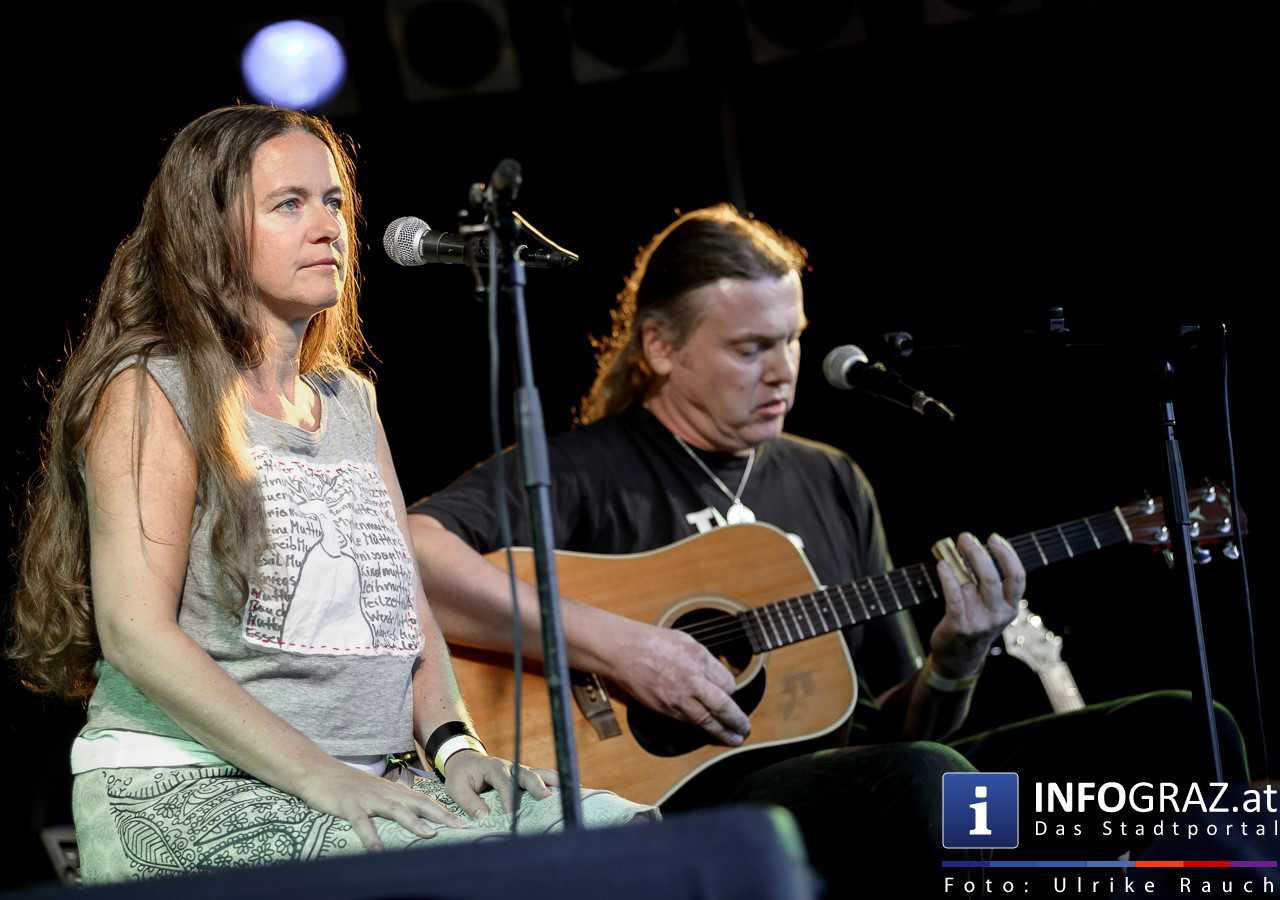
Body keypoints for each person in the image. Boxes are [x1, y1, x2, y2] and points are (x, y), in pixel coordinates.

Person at [407, 206, 1249, 892]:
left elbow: (897, 724)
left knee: (1184, 732)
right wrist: (623, 647)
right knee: (926, 782)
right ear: (661, 347)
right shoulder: (584, 469)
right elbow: (414, 547)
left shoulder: (831, 478)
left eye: (792, 338)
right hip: (704, 805)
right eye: (750, 348)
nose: (783, 371)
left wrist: (956, 659)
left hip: (876, 791)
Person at [7, 105, 653, 884]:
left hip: (365, 782)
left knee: (629, 835)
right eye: (289, 204)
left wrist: (455, 747)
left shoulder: (349, 400)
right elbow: (133, 630)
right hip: (193, 784)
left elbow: (403, 606)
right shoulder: (151, 391)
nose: (328, 227)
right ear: (208, 233)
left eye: (334, 201)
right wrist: (321, 776)